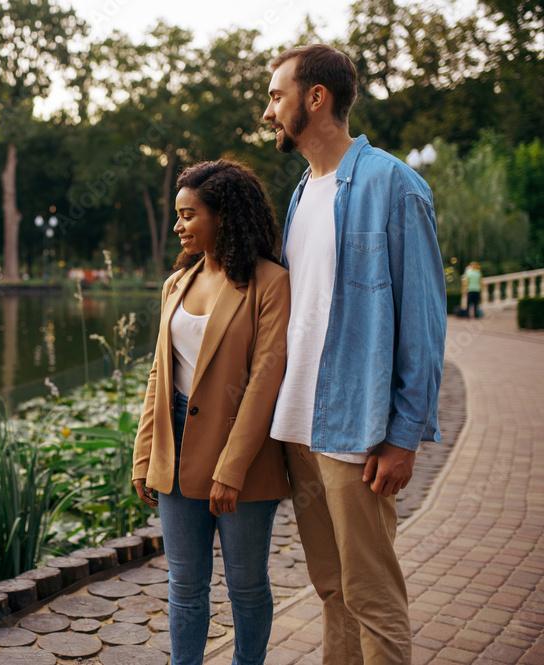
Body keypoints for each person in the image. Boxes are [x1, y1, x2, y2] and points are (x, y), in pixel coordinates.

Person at [262, 45, 447, 664]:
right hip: (299, 423)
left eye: (275, 96)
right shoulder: (302, 192)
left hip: (356, 429)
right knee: (331, 588)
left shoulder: (393, 185)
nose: (268, 113)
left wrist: (404, 436)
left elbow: (422, 321)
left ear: (315, 99)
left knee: (371, 591)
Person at [132, 160, 291, 665]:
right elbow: (160, 376)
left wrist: (232, 469)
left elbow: (266, 382)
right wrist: (144, 455)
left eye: (187, 214)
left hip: (243, 450)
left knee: (246, 586)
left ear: (222, 215)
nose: (178, 226)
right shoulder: (175, 284)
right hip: (175, 448)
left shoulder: (270, 283)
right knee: (185, 586)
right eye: (177, 216)